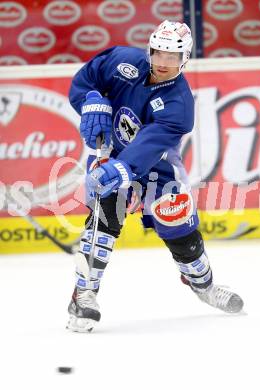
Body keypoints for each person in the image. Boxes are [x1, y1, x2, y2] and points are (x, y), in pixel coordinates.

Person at [66, 20, 244, 333]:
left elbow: (151, 142)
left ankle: (204, 286)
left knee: (182, 234)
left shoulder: (180, 103)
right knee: (103, 222)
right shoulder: (121, 61)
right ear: (150, 49)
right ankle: (84, 295)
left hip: (158, 168)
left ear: (185, 59)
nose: (163, 62)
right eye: (158, 53)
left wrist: (121, 169)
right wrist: (90, 100)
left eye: (172, 57)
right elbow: (86, 80)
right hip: (112, 153)